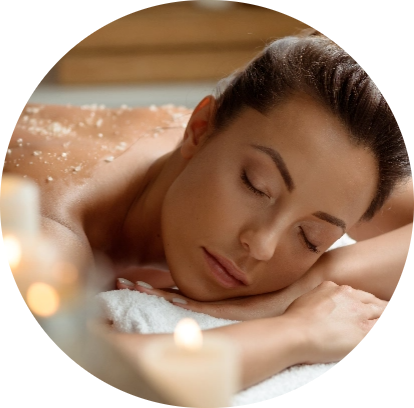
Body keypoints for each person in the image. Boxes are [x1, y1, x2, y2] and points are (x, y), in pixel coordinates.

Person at [4, 31, 412, 390]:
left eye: (310, 238)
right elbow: (94, 362)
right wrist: (297, 332)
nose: (262, 245)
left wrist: (319, 278)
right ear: (199, 128)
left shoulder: (315, 162)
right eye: (256, 186)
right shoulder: (43, 223)